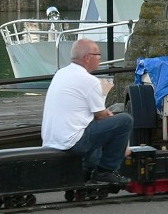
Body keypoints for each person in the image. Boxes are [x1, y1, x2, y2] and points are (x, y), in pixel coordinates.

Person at [41, 39, 133, 186]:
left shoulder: (60, 73)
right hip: (72, 142)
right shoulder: (89, 80)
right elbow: (101, 116)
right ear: (87, 57)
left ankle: (86, 169)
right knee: (125, 121)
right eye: (98, 54)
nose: (100, 58)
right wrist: (124, 146)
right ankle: (105, 171)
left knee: (91, 127)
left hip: (52, 139)